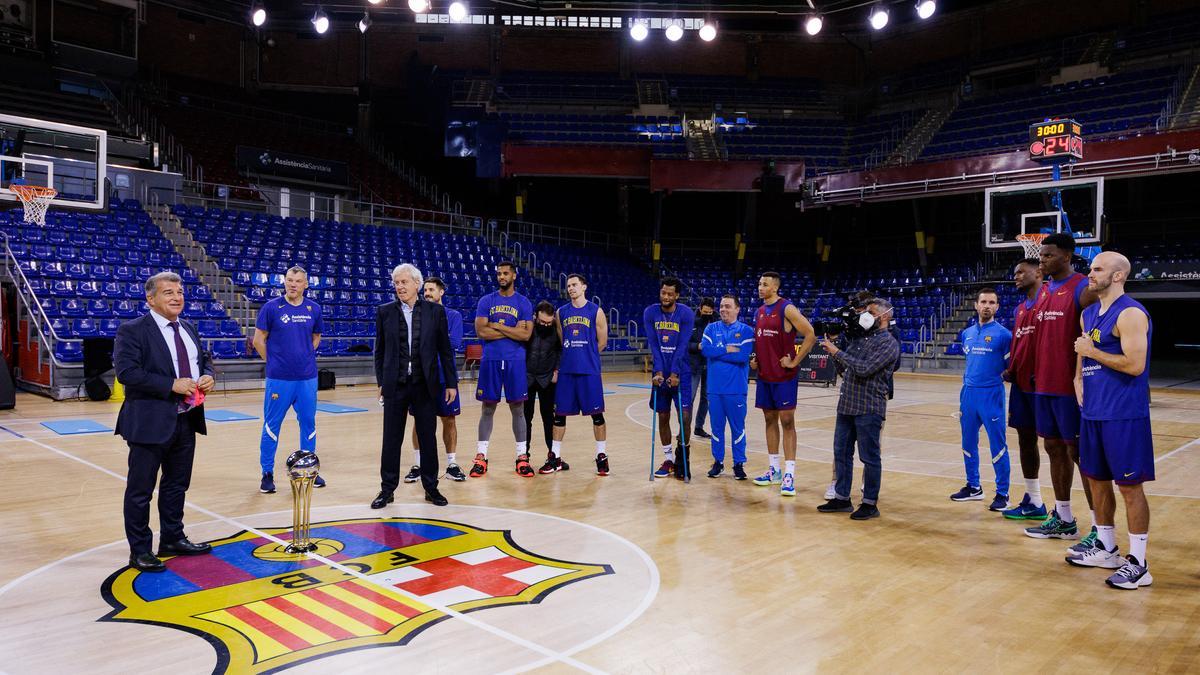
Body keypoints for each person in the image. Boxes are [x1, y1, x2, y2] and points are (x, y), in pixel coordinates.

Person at [114, 272, 215, 572]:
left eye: (180, 291)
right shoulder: (132, 330)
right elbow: (127, 373)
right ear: (151, 298)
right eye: (168, 292)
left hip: (186, 419)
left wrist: (208, 374)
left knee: (176, 486)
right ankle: (140, 550)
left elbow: (203, 360)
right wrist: (170, 384)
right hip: (149, 422)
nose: (177, 297)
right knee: (140, 490)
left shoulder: (188, 328)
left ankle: (172, 538)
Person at [1067, 252, 1155, 590]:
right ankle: (1106, 548)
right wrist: (1077, 378)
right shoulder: (1088, 312)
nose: (1090, 273)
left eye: (1097, 269)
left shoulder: (1131, 313)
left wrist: (1092, 354)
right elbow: (1081, 348)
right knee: (1095, 480)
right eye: (1091, 268)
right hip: (1093, 412)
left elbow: (1135, 365)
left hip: (1123, 414)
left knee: (1130, 487)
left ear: (1117, 276)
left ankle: (1139, 563)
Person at [1024, 233, 1100, 544]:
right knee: (1053, 448)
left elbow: (1098, 333)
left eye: (1049, 255)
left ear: (1067, 256)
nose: (1042, 260)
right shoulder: (1043, 291)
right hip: (1044, 385)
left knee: (1080, 453)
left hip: (1071, 388)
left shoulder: (1083, 288)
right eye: (1041, 255)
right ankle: (1064, 517)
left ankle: (1100, 529)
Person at [371, 264, 458, 509]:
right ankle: (387, 490)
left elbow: (445, 350)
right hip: (395, 385)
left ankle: (431, 488)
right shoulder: (384, 311)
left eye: (404, 282)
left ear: (417, 284)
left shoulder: (435, 312)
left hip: (425, 384)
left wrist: (451, 382)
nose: (399, 287)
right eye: (396, 283)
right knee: (391, 440)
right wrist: (381, 381)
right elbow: (379, 352)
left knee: (428, 438)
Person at [817, 298, 900, 520]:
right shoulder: (859, 339)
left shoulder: (889, 344)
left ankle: (870, 503)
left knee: (869, 457)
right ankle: (842, 498)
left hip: (869, 407)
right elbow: (845, 369)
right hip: (847, 405)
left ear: (884, 316)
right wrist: (833, 348)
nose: (865, 315)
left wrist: (836, 352)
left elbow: (864, 369)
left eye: (870, 312)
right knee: (841, 453)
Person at [252, 266, 324, 495]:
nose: (293, 284)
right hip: (279, 379)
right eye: (289, 280)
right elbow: (258, 340)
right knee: (272, 426)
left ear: (305, 285)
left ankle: (309, 469)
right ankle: (267, 473)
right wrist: (273, 363)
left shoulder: (314, 308)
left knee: (308, 424)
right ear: (285, 282)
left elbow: (316, 337)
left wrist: (304, 355)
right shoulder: (271, 308)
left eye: (298, 281)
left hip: (307, 378)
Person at [749, 271, 817, 497]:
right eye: (759, 283)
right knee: (769, 419)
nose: (760, 287)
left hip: (784, 377)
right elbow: (763, 343)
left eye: (765, 284)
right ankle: (774, 470)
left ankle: (789, 474)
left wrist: (795, 361)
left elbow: (810, 334)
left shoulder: (786, 308)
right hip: (765, 376)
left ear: (775, 288)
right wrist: (756, 359)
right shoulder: (759, 312)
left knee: (787, 421)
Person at [951, 287, 1012, 511]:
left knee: (998, 445)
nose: (987, 306)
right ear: (976, 305)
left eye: (991, 302)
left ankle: (1003, 493)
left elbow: (1010, 369)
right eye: (983, 302)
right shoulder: (966, 333)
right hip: (968, 395)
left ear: (997, 307)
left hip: (991, 395)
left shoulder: (1004, 335)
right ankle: (973, 486)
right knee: (968, 443)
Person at [473, 261, 534, 477]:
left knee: (518, 408)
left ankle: (521, 457)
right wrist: (510, 329)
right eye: (499, 273)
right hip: (490, 360)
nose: (501, 277)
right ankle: (481, 456)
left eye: (505, 273)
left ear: (514, 276)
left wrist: (495, 325)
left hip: (515, 361)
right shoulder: (486, 300)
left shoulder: (524, 302)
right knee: (487, 408)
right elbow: (482, 331)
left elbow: (526, 335)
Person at [403, 276, 465, 483]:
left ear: (441, 292)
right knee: (418, 420)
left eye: (431, 290)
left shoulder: (453, 315)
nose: (427, 293)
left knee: (449, 419)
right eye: (426, 290)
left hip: (444, 377)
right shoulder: (416, 315)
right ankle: (418, 464)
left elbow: (454, 342)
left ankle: (451, 464)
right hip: (420, 377)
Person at [547, 273, 610, 475]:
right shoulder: (561, 312)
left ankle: (602, 456)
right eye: (568, 285)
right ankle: (555, 457)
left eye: (574, 285)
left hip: (589, 371)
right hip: (567, 371)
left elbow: (602, 342)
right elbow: (562, 338)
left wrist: (586, 355)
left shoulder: (596, 311)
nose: (571, 288)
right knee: (559, 415)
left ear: (584, 287)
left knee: (597, 415)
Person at [1001, 259, 1049, 520]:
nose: (1016, 276)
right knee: (1025, 441)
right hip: (1021, 386)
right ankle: (1034, 500)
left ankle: (1066, 512)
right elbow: (1020, 346)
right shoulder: (1020, 309)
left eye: (1021, 272)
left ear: (1039, 272)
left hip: (1045, 385)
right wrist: (1012, 369)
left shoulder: (1049, 303)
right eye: (1014, 272)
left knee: (1059, 445)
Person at [645, 277, 696, 480]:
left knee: (684, 417)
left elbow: (682, 345)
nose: (665, 297)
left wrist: (674, 372)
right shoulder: (650, 312)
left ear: (677, 295)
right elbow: (654, 344)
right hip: (660, 373)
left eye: (669, 294)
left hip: (681, 373)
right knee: (663, 416)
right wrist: (658, 371)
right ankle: (668, 460)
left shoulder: (685, 314)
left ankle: (682, 456)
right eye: (663, 293)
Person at [701, 295, 754, 479]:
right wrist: (727, 349)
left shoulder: (746, 331)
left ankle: (738, 464)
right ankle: (718, 462)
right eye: (722, 306)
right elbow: (705, 350)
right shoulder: (711, 328)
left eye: (728, 306)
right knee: (716, 429)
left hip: (736, 390)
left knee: (738, 428)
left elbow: (743, 356)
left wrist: (718, 352)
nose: (723, 309)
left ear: (737, 309)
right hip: (715, 389)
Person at [524, 302, 562, 460]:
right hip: (527, 378)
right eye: (542, 322)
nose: (546, 325)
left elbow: (561, 350)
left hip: (548, 379)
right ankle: (523, 455)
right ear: (535, 317)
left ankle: (553, 455)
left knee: (549, 418)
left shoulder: (556, 329)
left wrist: (557, 370)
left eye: (549, 322)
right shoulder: (528, 327)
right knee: (525, 418)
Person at [687, 298, 716, 439]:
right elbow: (685, 344)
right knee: (690, 397)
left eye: (710, 312)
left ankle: (699, 427)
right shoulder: (690, 321)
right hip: (694, 365)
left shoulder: (716, 323)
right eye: (705, 312)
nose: (707, 314)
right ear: (700, 308)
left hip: (710, 365)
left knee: (706, 398)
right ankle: (685, 428)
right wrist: (697, 346)